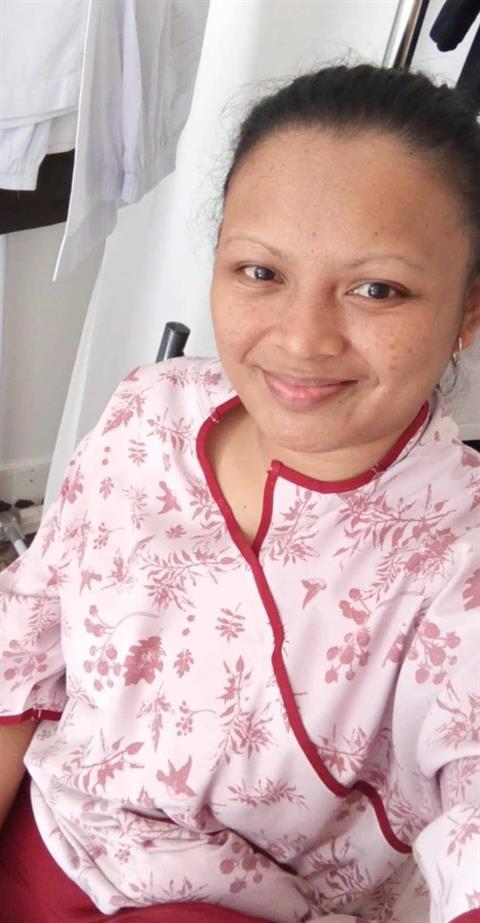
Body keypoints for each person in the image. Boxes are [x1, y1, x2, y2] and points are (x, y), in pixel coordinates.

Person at [0, 63, 479, 923]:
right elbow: (21, 650)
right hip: (45, 832)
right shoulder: (149, 413)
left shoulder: (460, 553)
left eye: (377, 289)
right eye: (260, 271)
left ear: (469, 311)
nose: (302, 338)